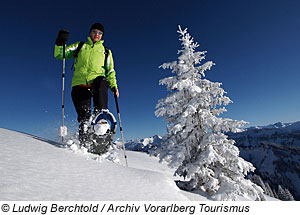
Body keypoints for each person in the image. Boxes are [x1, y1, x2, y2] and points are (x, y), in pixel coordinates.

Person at [54, 23, 119, 143]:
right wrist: (60, 43)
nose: (97, 34)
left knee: (101, 80)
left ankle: (101, 119)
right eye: (95, 31)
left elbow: (110, 70)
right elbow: (60, 54)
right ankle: (84, 143)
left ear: (102, 35)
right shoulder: (80, 46)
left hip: (97, 85)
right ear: (90, 32)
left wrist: (114, 86)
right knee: (84, 118)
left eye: (100, 33)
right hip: (79, 86)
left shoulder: (105, 51)